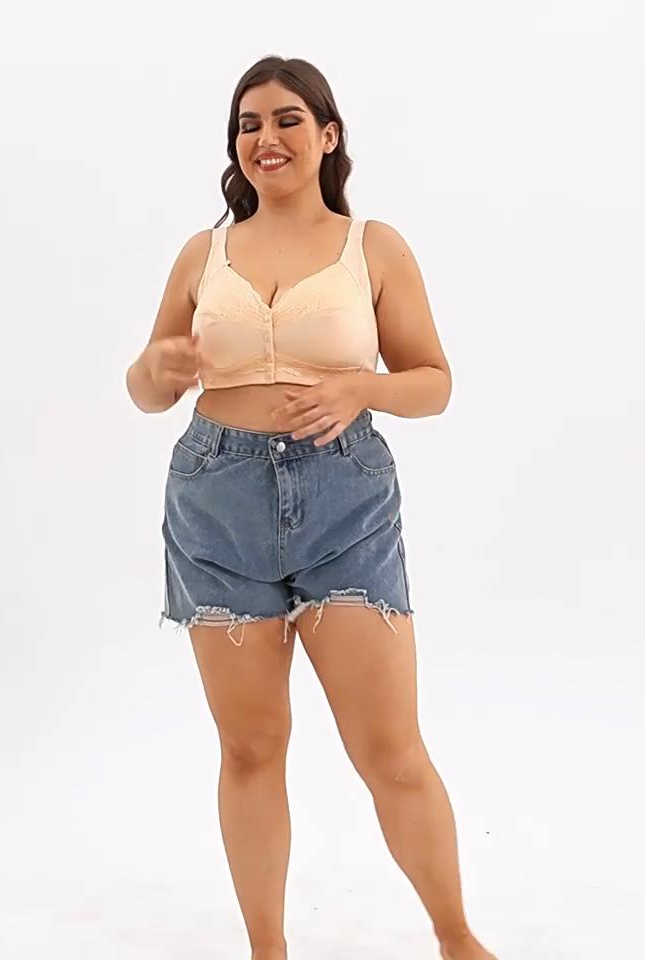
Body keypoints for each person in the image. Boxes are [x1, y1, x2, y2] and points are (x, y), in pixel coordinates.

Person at [126, 55, 499, 960]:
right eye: (248, 124)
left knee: (390, 751)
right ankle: (269, 950)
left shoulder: (375, 246)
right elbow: (145, 389)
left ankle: (457, 938)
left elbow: (434, 382)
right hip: (215, 499)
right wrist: (156, 369)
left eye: (288, 119)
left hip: (344, 500)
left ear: (328, 135)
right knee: (251, 748)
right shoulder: (202, 254)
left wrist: (360, 388)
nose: (266, 137)